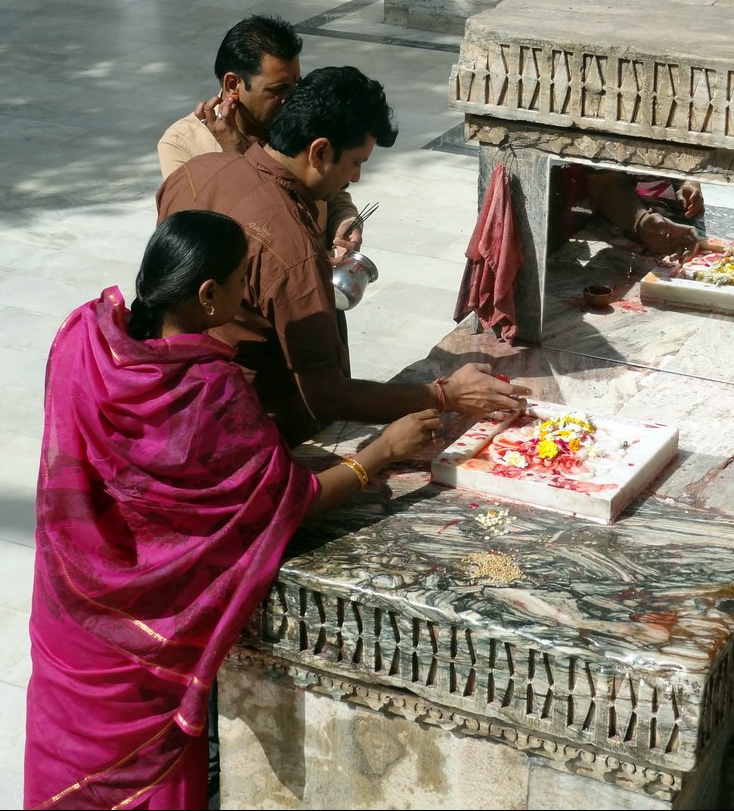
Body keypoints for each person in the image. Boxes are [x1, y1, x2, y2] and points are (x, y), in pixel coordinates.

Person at [23, 210, 442, 811]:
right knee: (144, 786)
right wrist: (380, 453)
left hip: (73, 621)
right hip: (145, 652)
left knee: (69, 769)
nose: (249, 294)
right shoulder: (208, 389)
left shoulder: (82, 341)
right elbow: (285, 503)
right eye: (242, 281)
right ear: (207, 294)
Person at [155, 65, 532, 448]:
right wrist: (445, 394)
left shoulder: (194, 174)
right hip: (256, 432)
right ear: (319, 151)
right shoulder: (292, 250)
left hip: (173, 399)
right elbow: (327, 396)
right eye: (356, 162)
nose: (355, 178)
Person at [157, 15, 362, 261]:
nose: (291, 99)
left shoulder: (302, 119)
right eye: (278, 90)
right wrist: (236, 157)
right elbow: (210, 237)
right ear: (233, 84)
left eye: (296, 85)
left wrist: (345, 220)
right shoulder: (183, 143)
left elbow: (330, 188)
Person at [579, 167, 705, 259]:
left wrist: (690, 185)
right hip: (617, 223)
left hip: (677, 221)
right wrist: (641, 220)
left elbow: (691, 160)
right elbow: (604, 183)